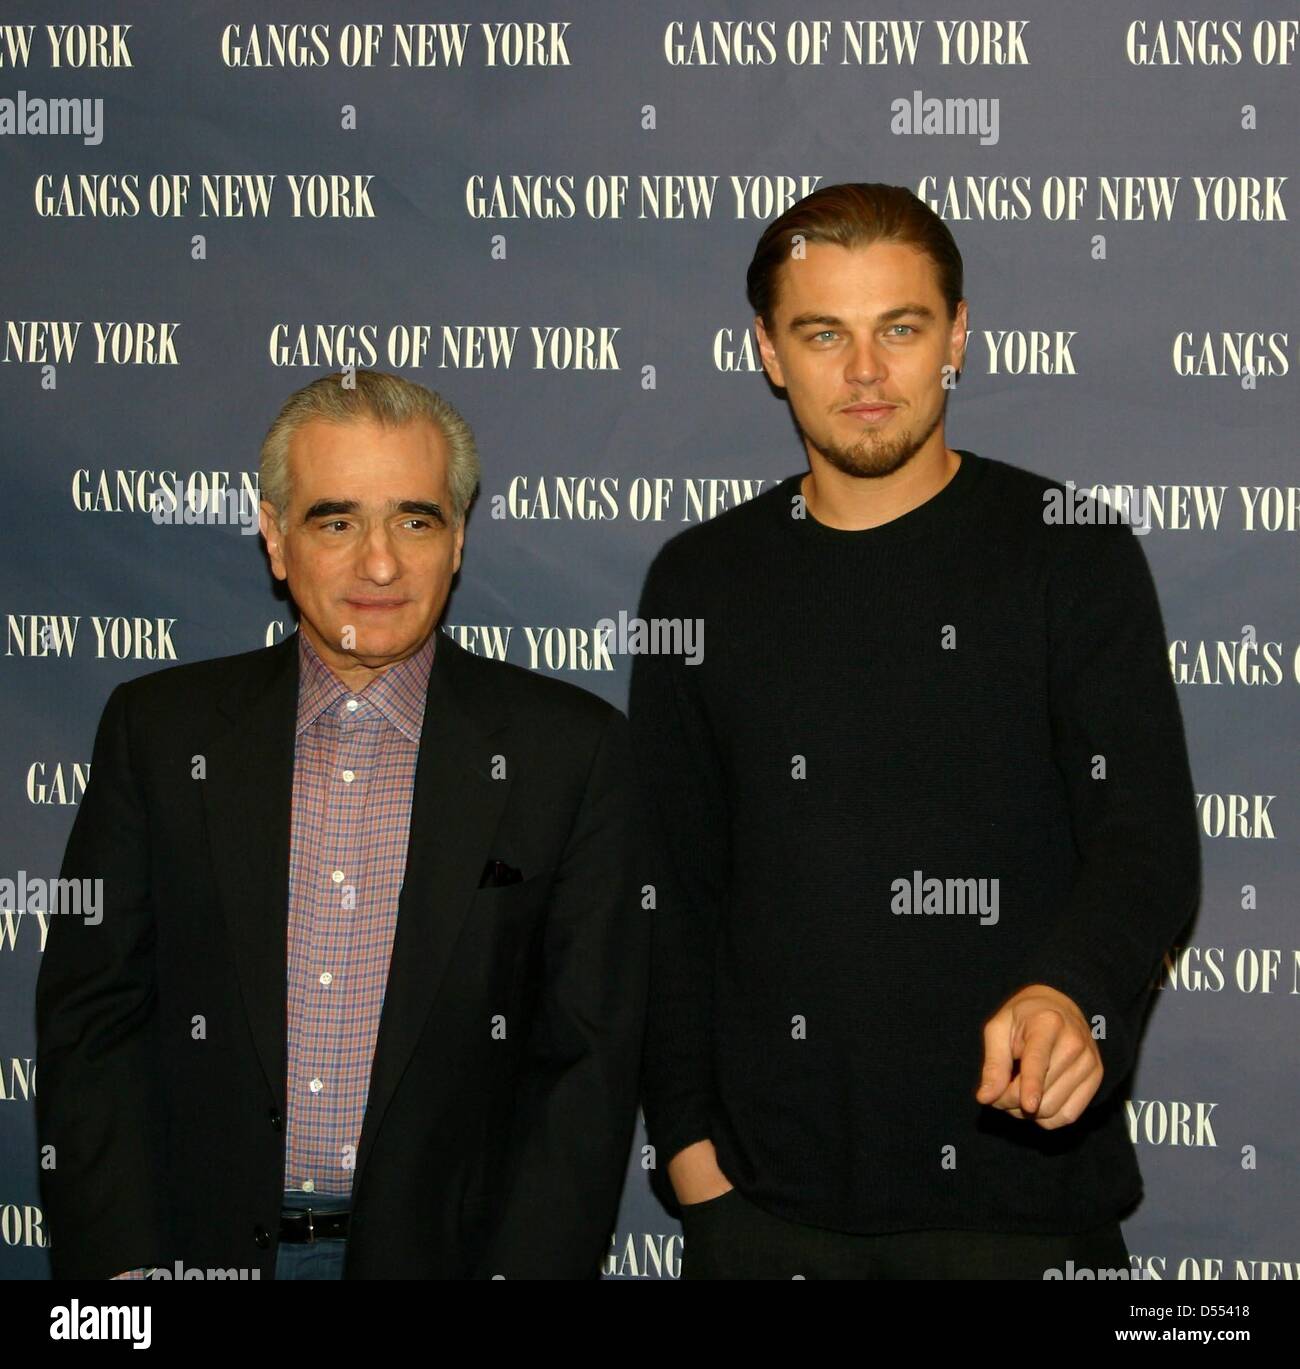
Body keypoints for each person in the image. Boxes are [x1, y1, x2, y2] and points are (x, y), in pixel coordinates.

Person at [628, 182, 1200, 1279]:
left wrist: (1069, 991)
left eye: (899, 327)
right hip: (764, 1210)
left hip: (1024, 1194)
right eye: (821, 333)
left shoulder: (1069, 554)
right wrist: (692, 1155)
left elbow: (1147, 846)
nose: (863, 371)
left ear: (958, 336)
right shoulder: (699, 579)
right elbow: (668, 887)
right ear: (766, 351)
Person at [36, 369, 648, 1280]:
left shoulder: (571, 752)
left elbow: (586, 1072)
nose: (380, 563)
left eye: (415, 519)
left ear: (459, 540)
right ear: (276, 539)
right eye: (336, 520)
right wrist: (127, 1273)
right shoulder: (159, 732)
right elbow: (93, 1025)